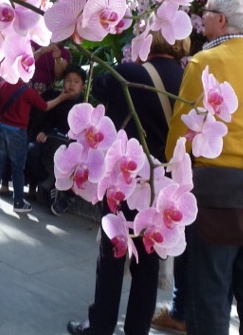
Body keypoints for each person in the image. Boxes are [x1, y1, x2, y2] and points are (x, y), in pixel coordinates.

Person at [67, 32, 189, 335]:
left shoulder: (129, 72)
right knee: (146, 267)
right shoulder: (187, 79)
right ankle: (136, 330)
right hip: (159, 186)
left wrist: (134, 61)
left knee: (110, 259)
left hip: (122, 183)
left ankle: (100, 326)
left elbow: (97, 87)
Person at [165, 0, 243, 335]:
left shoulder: (205, 62)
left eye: (205, 14)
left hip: (213, 191)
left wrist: (173, 182)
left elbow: (181, 130)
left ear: (220, 20)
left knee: (211, 295)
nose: (201, 21)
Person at [0, 74, 77, 214]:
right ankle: (18, 201)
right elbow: (45, 106)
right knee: (18, 167)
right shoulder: (27, 91)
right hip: (18, 132)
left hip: (3, 128)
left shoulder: (3, 85)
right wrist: (61, 98)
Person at [25, 65, 86, 209]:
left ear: (83, 86)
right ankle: (48, 184)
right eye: (68, 80)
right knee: (31, 149)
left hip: (71, 144)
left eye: (76, 82)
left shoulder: (85, 104)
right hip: (52, 139)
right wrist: (43, 132)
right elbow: (49, 119)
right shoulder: (58, 97)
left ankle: (68, 198)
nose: (71, 84)